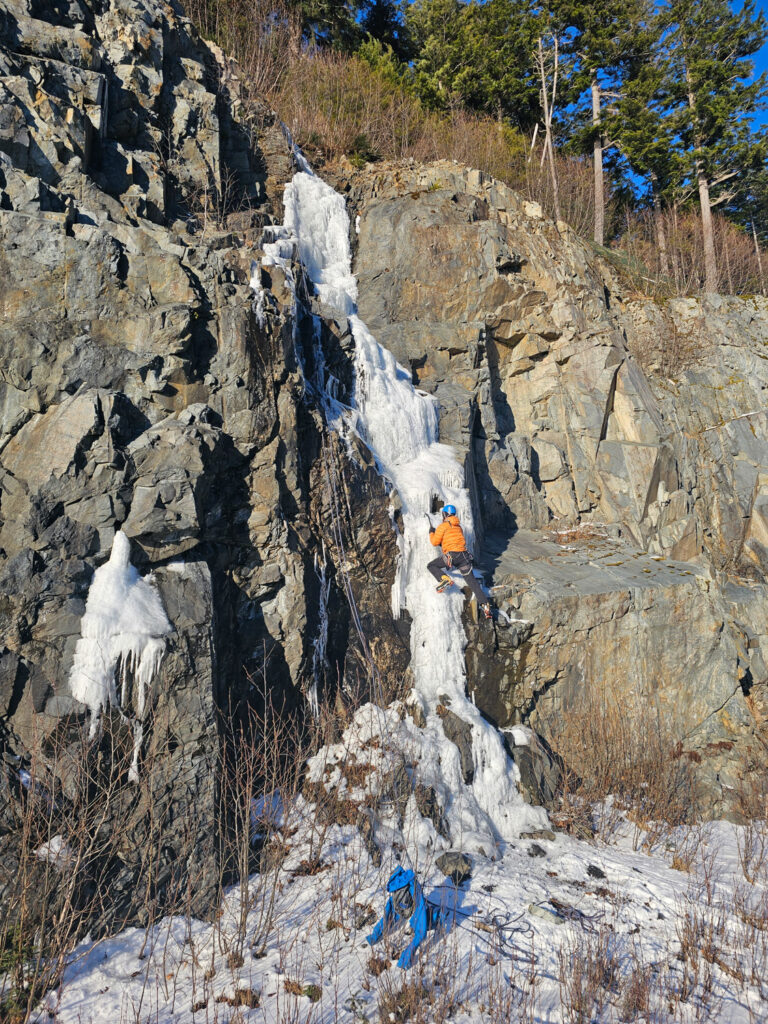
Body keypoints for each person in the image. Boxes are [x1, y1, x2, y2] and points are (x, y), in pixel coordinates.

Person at [428, 505, 491, 619]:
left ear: (445, 514)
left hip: (452, 556)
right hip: (464, 557)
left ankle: (444, 579)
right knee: (473, 583)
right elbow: (452, 540)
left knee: (431, 565)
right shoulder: (459, 527)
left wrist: (431, 532)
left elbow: (434, 542)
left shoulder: (443, 526)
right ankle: (485, 605)